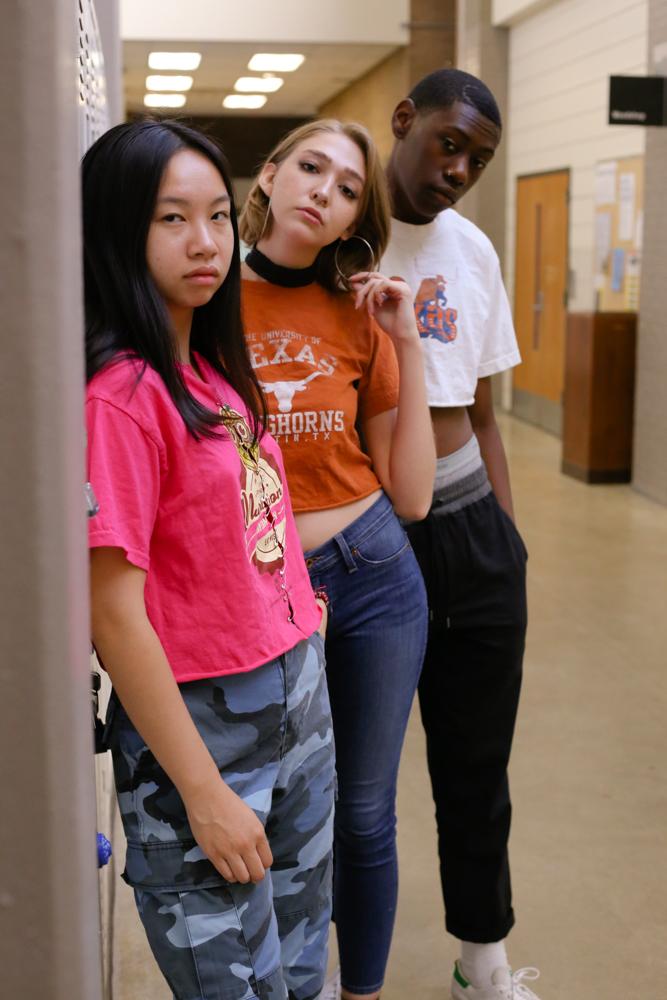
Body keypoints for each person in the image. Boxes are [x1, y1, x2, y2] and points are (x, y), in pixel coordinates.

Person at [84, 119, 335, 1000]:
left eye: (220, 217)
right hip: (204, 732)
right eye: (171, 219)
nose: (206, 243)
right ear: (118, 230)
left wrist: (298, 613)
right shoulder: (120, 400)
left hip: (295, 698)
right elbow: (112, 614)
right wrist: (202, 792)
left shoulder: (213, 369)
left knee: (302, 970)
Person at [239, 119, 436, 1000]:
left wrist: (405, 342)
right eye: (310, 168)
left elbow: (416, 493)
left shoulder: (357, 311)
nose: (323, 189)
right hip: (258, 584)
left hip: (371, 580)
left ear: (357, 213)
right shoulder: (205, 299)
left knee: (361, 818)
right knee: (274, 817)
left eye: (347, 186)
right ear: (272, 177)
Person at [382, 70, 541, 1000]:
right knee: (347, 782)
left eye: (476, 159)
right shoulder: (341, 237)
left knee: (476, 764)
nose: (458, 169)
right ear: (405, 121)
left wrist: (506, 543)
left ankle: (481, 959)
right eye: (448, 143)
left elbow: (481, 412)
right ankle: (319, 962)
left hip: (471, 526)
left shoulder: (472, 250)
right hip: (365, 536)